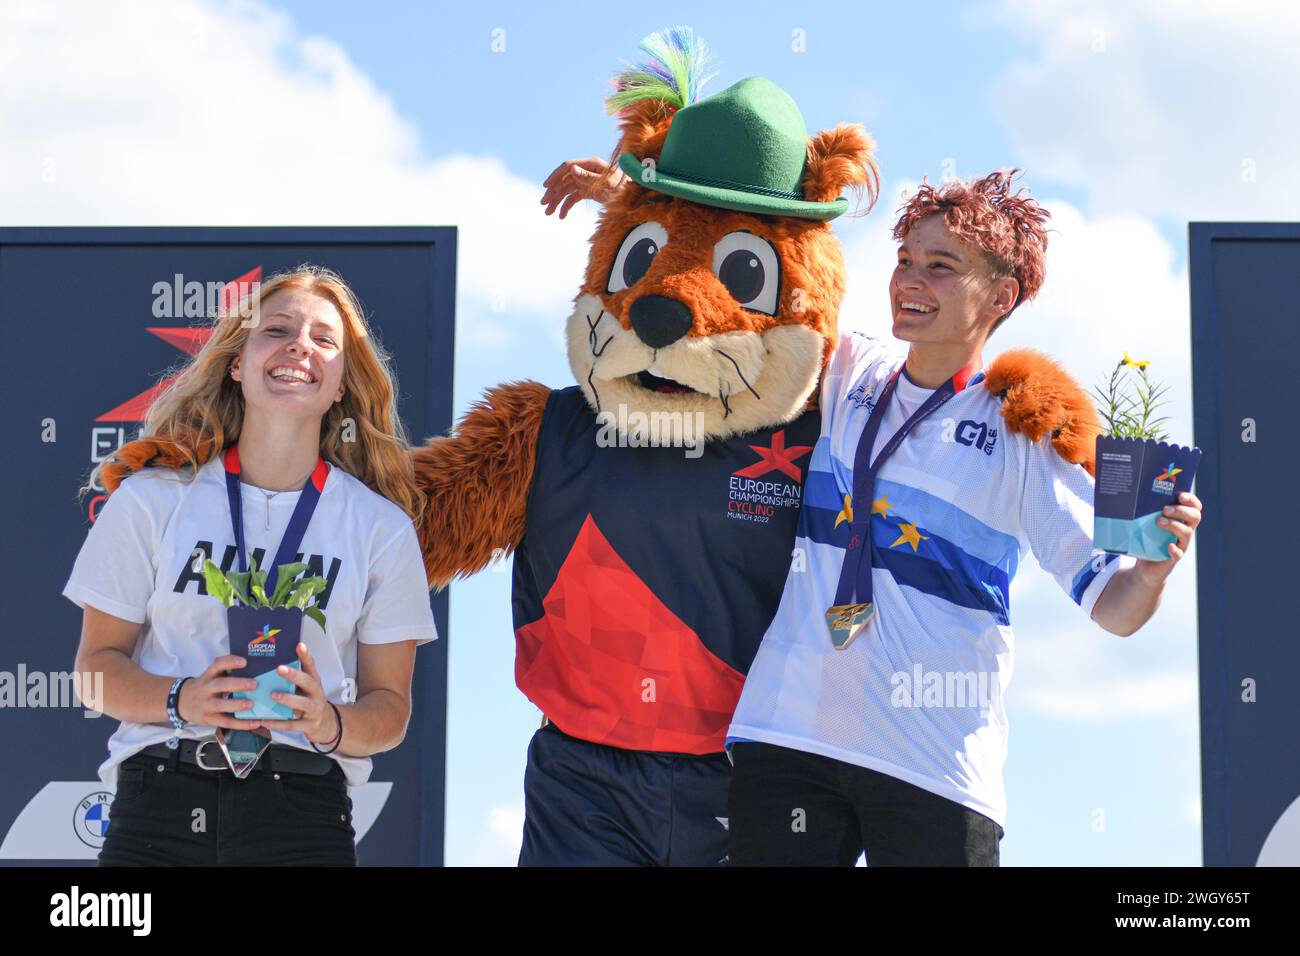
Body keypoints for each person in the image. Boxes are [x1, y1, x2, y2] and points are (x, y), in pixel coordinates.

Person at [543, 161, 1204, 866]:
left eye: (942, 266)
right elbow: (754, 305)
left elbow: (1117, 609)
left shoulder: (1024, 431)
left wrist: (1154, 569)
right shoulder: (850, 368)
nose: (910, 280)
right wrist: (631, 199)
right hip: (789, 734)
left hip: (932, 762)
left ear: (1001, 295)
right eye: (905, 259)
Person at [65, 265, 438, 866]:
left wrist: (326, 721)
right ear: (237, 363)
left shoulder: (381, 529)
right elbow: (92, 671)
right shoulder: (152, 499)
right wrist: (182, 699)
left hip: (302, 810)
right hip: (158, 801)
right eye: (278, 329)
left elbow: (389, 711)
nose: (299, 346)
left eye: (324, 339)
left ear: (340, 382)